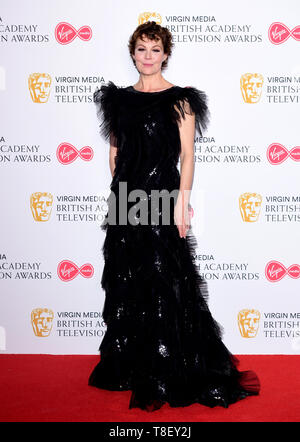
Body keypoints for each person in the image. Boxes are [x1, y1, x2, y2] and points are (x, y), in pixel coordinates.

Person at [88, 21, 260, 412]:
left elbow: (187, 157)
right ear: (133, 53)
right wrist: (120, 191)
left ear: (166, 54)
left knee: (165, 280)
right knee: (127, 278)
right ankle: (132, 363)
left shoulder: (180, 100)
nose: (147, 57)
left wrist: (181, 203)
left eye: (155, 50)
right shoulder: (118, 100)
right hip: (127, 200)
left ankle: (167, 364)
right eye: (141, 49)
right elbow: (115, 150)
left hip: (163, 198)